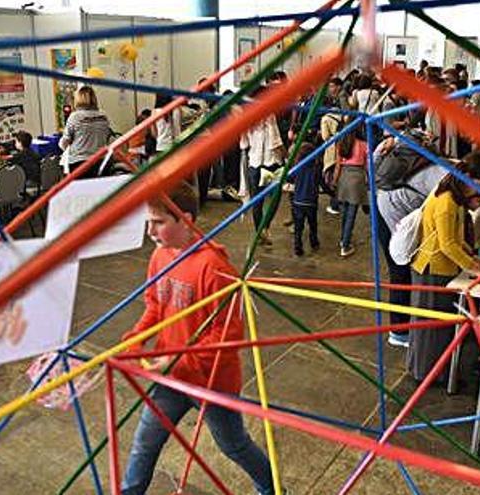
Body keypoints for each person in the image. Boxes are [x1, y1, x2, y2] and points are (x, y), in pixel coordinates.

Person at [119, 182, 276, 495]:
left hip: (211, 379)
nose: (150, 231)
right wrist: (135, 337)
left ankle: (272, 488)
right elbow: (154, 305)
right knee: (144, 443)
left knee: (234, 445)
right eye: (148, 222)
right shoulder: (160, 257)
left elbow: (227, 335)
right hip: (171, 376)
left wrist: (177, 359)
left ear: (185, 219)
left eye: (158, 222)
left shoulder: (215, 267)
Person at [406, 152, 480, 382]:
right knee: (429, 328)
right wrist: (476, 267)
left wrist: (473, 260)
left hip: (441, 269)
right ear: (468, 176)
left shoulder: (455, 198)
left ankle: (433, 372)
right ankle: (425, 374)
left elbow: (455, 240)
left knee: (436, 327)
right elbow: (448, 245)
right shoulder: (447, 202)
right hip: (432, 269)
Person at [372, 134, 447, 347]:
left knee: (397, 272)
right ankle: (401, 332)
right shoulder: (439, 173)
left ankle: (399, 330)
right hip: (402, 218)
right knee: (404, 273)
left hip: (383, 209)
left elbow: (372, 171)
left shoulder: (389, 152)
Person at [239, 90, 284, 243]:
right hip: (271, 164)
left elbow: (244, 144)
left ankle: (260, 232)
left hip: (254, 164)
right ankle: (264, 228)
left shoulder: (246, 118)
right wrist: (286, 155)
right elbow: (275, 143)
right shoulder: (269, 116)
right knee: (275, 197)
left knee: (257, 201)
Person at [59, 85, 113, 179]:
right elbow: (107, 136)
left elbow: (64, 142)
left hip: (80, 163)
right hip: (101, 160)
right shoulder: (104, 116)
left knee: (82, 192)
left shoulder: (75, 117)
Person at [335, 126, 368, 258]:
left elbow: (338, 165)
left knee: (344, 212)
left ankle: (343, 238)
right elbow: (367, 166)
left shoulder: (341, 144)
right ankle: (345, 245)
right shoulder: (364, 145)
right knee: (351, 215)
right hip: (357, 178)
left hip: (343, 177)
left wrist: (335, 181)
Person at [289, 142, 320, 256]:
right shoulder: (316, 168)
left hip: (298, 201)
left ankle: (298, 247)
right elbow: (320, 182)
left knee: (298, 226)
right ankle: (314, 242)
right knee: (313, 224)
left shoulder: (297, 168)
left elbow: (290, 178)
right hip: (311, 201)